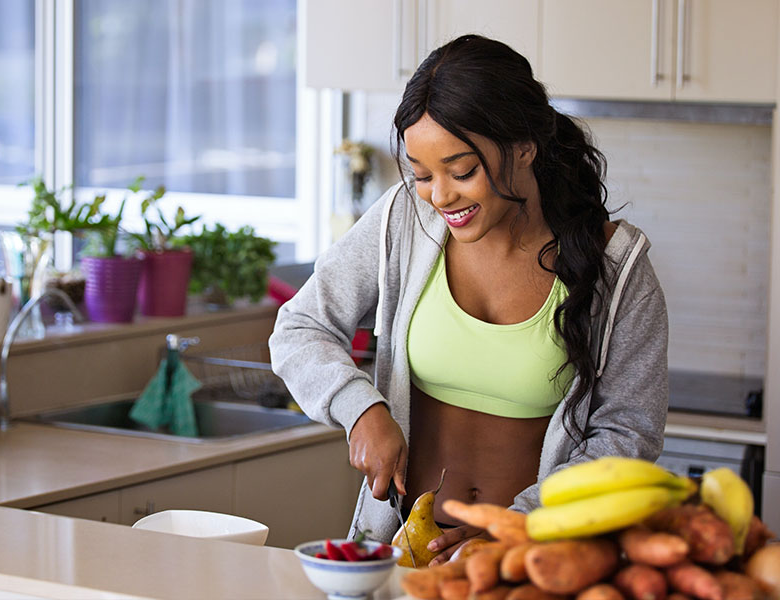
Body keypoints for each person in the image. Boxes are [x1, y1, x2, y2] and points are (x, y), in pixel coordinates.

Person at [269, 34, 668, 564]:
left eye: (461, 171)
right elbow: (299, 327)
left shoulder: (615, 265)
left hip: (533, 562)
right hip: (403, 555)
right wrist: (361, 408)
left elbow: (627, 435)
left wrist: (516, 529)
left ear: (525, 146)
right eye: (421, 175)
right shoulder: (404, 220)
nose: (440, 197)